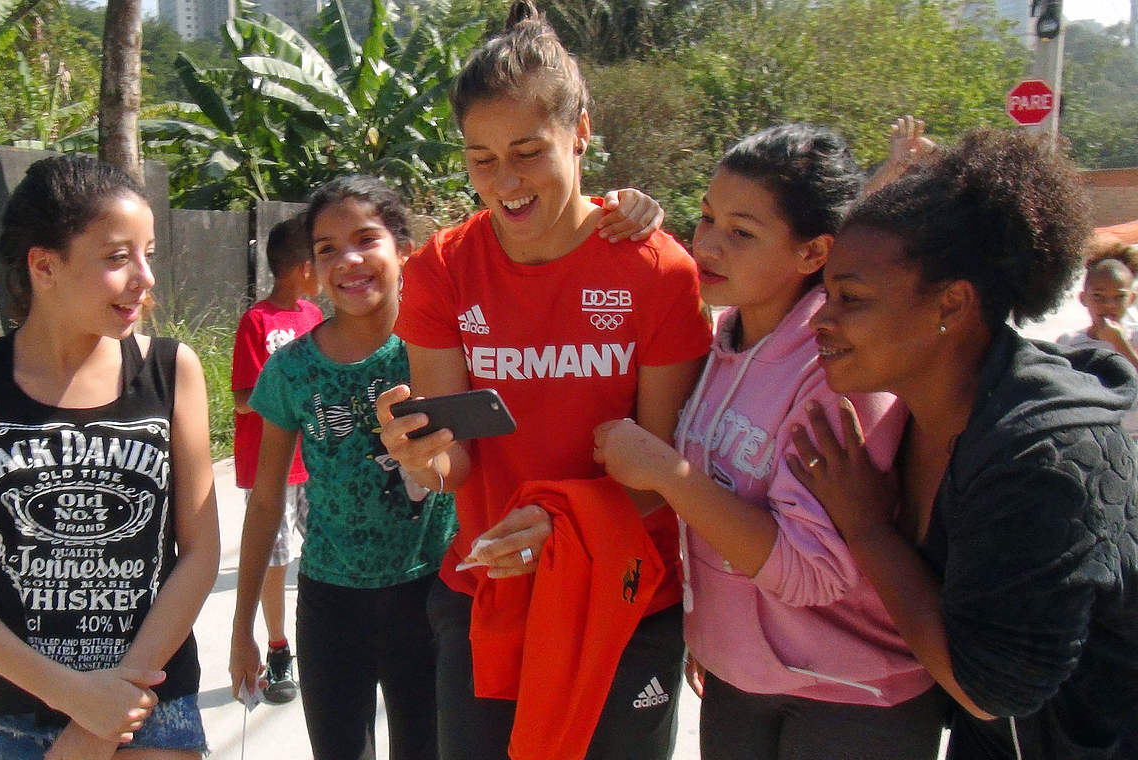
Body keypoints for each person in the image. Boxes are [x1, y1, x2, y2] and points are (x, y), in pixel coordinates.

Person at [376, 2, 712, 757]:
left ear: (581, 133)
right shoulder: (441, 271)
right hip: (490, 593)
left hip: (623, 599)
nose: (505, 181)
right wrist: (419, 456)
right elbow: (454, 458)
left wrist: (564, 529)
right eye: (481, 158)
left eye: (528, 151)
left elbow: (659, 477)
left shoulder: (656, 271)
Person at [592, 123, 943, 760]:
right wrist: (721, 638)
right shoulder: (722, 340)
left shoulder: (839, 368)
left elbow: (813, 572)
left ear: (813, 254)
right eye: (705, 217)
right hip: (739, 683)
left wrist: (669, 475)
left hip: (850, 699)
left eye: (742, 232)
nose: (708, 243)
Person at [790, 128, 1138, 759]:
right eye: (825, 295)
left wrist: (868, 530)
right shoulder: (913, 420)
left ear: (951, 303)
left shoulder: (1047, 457)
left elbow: (989, 690)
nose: (822, 319)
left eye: (852, 299)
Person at [0, 154, 221, 760]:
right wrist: (72, 696)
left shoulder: (171, 370)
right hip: (16, 716)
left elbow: (201, 553)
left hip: (152, 703)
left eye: (148, 254)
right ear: (44, 265)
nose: (144, 277)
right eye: (117, 258)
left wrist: (108, 713)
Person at [228, 175, 459, 760]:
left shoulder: (441, 348)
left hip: (432, 592)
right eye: (328, 248)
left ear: (403, 249)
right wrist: (241, 627)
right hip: (331, 602)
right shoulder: (291, 371)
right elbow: (264, 500)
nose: (349, 260)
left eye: (366, 239)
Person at [229, 212, 323, 704]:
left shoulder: (314, 317)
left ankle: (326, 640)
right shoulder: (257, 321)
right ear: (302, 266)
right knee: (276, 558)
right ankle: (278, 649)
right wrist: (289, 391)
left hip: (317, 459)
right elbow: (244, 397)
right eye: (321, 253)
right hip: (273, 465)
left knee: (325, 550)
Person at [1055, 254, 1138, 437]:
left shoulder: (1135, 336)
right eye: (1099, 296)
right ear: (1084, 299)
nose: (1109, 305)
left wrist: (1119, 342)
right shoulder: (1069, 342)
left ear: (1131, 299)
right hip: (1095, 437)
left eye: (1119, 297)